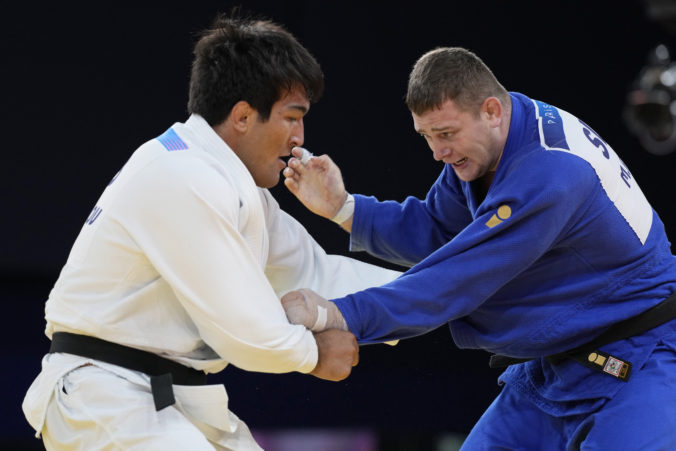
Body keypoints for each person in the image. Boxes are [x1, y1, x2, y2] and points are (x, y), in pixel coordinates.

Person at [22, 13, 401, 451]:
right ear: (242, 116)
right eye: (292, 117)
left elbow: (320, 275)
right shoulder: (185, 174)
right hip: (104, 395)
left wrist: (443, 298)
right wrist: (314, 353)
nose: (299, 138)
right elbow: (245, 330)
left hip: (164, 398)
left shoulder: (234, 186)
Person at [281, 47, 676, 449]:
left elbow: (452, 281)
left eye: (447, 134)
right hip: (561, 361)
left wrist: (340, 313)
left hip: (641, 359)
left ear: (490, 110)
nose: (438, 152)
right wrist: (345, 208)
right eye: (426, 136)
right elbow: (437, 230)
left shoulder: (550, 174)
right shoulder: (501, 136)